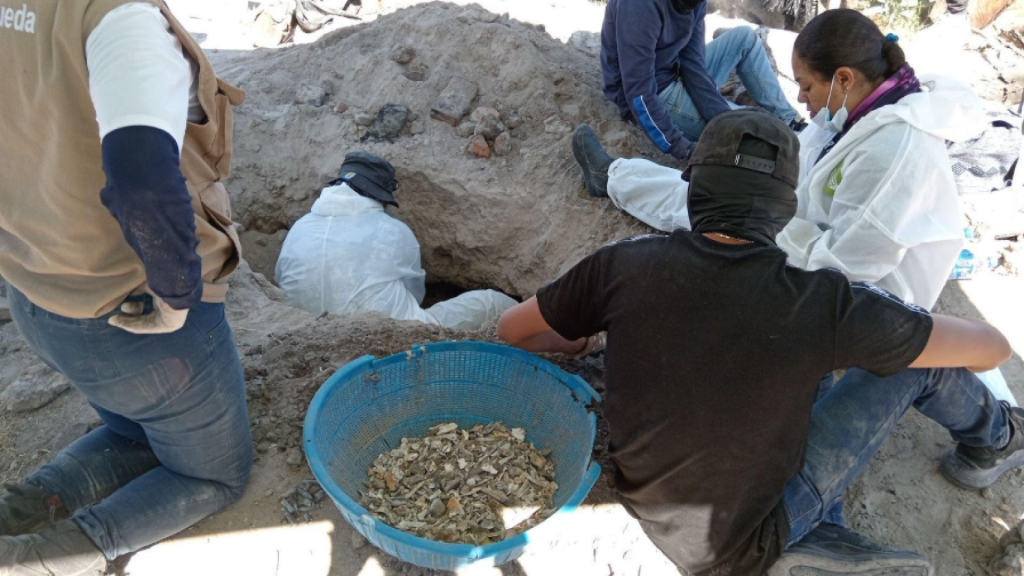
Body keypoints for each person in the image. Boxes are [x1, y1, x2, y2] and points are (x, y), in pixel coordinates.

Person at [498, 109, 1019, 576]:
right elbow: (993, 348)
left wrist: (578, 339)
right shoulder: (821, 302)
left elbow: (511, 330)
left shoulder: (623, 262)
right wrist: (904, 326)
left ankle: (824, 538)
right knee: (910, 360)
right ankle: (998, 440)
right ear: (785, 207)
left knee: (805, 369)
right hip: (746, 539)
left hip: (652, 508)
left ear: (693, 185)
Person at [578, 8, 1014, 402]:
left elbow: (846, 268)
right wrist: (747, 184)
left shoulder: (896, 149)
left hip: (860, 289)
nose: (801, 98)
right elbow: (804, 163)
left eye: (806, 86)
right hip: (808, 231)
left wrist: (762, 226)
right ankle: (613, 176)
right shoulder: (856, 110)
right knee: (710, 193)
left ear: (843, 78)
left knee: (729, 250)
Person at [0, 1, 253, 574]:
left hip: (37, 292)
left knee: (134, 428)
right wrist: (175, 293)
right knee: (213, 473)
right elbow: (141, 183)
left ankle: (18, 511)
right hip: (128, 313)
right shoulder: (118, 18)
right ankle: (29, 560)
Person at [275, 152, 517, 331]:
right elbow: (415, 294)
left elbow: (282, 282)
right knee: (489, 302)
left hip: (306, 332)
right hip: (386, 333)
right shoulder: (391, 230)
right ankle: (527, 314)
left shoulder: (300, 227)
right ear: (379, 196)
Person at [600, 0, 802, 164]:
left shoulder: (695, 3)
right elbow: (638, 94)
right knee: (754, 134)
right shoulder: (639, 6)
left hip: (674, 71)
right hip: (654, 93)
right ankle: (785, 140)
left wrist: (721, 115)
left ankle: (789, 121)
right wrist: (684, 149)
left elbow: (694, 65)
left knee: (744, 38)